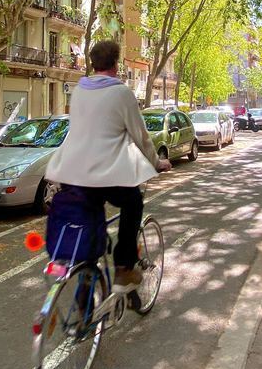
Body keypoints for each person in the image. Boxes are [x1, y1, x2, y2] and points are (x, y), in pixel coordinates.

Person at [45, 40, 172, 292]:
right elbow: (141, 136)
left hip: (72, 174)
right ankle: (124, 269)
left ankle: (84, 304)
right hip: (107, 175)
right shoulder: (121, 93)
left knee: (92, 229)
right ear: (116, 64)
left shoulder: (79, 90)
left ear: (93, 64)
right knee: (133, 202)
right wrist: (157, 162)